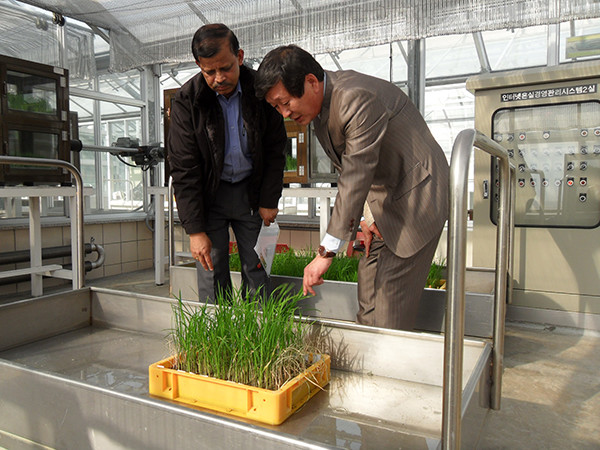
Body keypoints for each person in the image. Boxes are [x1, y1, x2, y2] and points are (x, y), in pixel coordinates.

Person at [255, 45, 449, 330]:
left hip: (418, 195)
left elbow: (356, 172)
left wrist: (325, 254)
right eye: (276, 107)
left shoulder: (353, 98)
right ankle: (369, 350)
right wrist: (367, 216)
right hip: (388, 196)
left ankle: (387, 364)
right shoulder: (322, 108)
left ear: (311, 82)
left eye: (285, 102)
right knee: (368, 278)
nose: (284, 113)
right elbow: (358, 165)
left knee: (389, 300)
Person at [168, 24, 287, 301]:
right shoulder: (188, 100)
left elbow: (275, 149)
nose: (219, 78)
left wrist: (269, 199)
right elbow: (184, 169)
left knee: (257, 267)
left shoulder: (261, 91)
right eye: (209, 71)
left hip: (252, 193)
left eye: (226, 68)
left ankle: (257, 332)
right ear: (199, 65)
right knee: (211, 268)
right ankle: (217, 336)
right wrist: (195, 230)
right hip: (211, 195)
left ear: (240, 57)